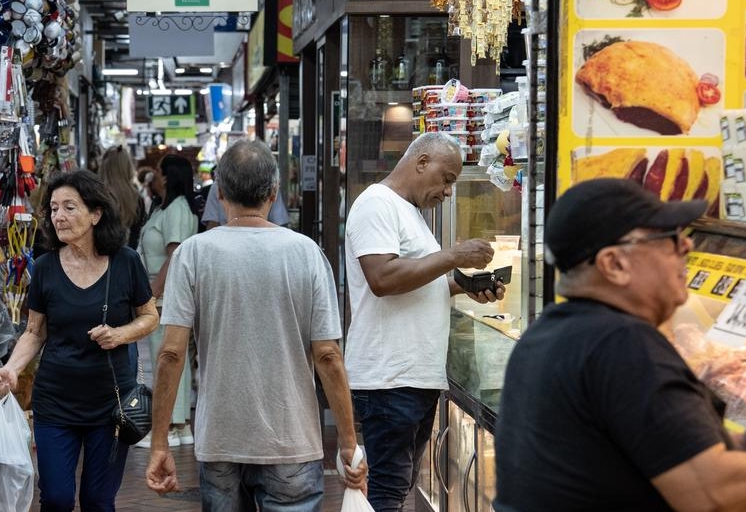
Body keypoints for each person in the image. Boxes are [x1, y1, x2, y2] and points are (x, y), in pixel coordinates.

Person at [494, 178, 746, 511]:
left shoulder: (549, 335)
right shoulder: (619, 344)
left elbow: (686, 447)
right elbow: (714, 495)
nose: (686, 246)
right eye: (669, 237)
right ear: (614, 264)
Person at [145, 139, 367, 508]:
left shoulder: (193, 253)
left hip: (219, 438)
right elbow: (328, 355)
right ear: (274, 192)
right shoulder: (307, 254)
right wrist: (348, 443)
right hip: (292, 440)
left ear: (220, 192)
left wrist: (159, 443)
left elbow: (171, 353)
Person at [344, 132, 503, 511]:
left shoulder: (408, 211)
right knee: (388, 492)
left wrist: (463, 286)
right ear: (421, 162)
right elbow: (382, 279)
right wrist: (453, 257)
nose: (448, 192)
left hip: (411, 379)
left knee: (397, 490)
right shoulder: (376, 205)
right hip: (389, 380)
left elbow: (415, 281)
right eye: (446, 179)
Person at [0, 170, 159, 512]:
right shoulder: (45, 268)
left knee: (98, 501)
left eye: (69, 207)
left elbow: (150, 316)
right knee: (56, 498)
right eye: (53, 209)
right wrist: (11, 369)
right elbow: (35, 332)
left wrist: (120, 334)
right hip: (56, 402)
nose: (58, 217)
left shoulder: (126, 261)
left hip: (111, 404)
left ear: (95, 214)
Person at [136, 154, 200, 448]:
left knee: (169, 356)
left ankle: (173, 424)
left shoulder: (178, 209)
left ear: (169, 176)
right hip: (162, 291)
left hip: (167, 294)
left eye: (160, 172)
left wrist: (153, 293)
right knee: (172, 356)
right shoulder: (165, 209)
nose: (155, 177)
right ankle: (178, 423)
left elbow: (175, 254)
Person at [98, 145, 147, 249]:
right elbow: (138, 233)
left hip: (99, 256)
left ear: (103, 166)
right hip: (128, 256)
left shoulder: (97, 195)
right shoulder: (137, 198)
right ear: (128, 167)